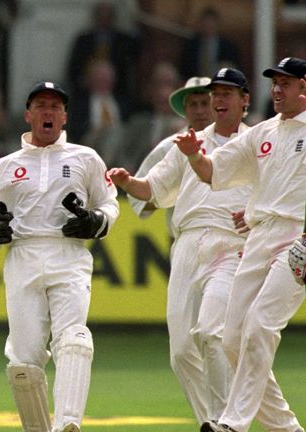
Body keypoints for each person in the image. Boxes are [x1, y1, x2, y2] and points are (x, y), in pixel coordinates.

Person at [107, 67, 252, 425]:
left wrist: (257, 213)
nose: (214, 103)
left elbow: (282, 188)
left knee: (211, 333)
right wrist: (127, 182)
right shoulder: (181, 144)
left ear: (243, 102)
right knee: (182, 351)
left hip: (233, 242)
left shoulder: (258, 140)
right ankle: (211, 421)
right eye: (210, 96)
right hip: (187, 241)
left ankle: (224, 422)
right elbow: (152, 191)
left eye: (222, 95)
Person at [0, 82, 119, 432]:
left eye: (55, 107)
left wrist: (96, 222)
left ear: (65, 116)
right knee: (23, 362)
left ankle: (68, 424)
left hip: (68, 254)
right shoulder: (4, 166)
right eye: (41, 105)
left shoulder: (85, 158)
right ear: (28, 114)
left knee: (73, 338)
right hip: (21, 256)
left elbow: (108, 204)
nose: (48, 112)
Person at [174, 57, 306, 432]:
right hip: (259, 235)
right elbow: (212, 172)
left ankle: (232, 423)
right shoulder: (262, 133)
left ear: (304, 87)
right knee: (231, 339)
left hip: (297, 237)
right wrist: (192, 154)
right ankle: (286, 428)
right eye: (275, 84)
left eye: (286, 84)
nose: (277, 91)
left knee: (261, 326)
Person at [128, 76, 214, 237]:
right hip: (187, 236)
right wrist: (166, 192)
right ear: (184, 109)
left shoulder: (236, 141)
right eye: (193, 104)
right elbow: (137, 199)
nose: (199, 111)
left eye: (205, 103)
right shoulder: (169, 147)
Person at [65, 1, 140, 103]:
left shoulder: (124, 40)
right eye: (101, 16)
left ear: (113, 18)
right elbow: (73, 68)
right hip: (87, 92)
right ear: (95, 17)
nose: (104, 19)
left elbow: (132, 66)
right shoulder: (83, 40)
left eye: (107, 16)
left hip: (118, 92)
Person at [179, 7, 241, 80]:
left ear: (217, 24)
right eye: (205, 23)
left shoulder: (228, 46)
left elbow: (236, 70)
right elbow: (183, 70)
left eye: (211, 24)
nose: (208, 27)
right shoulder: (190, 46)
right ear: (200, 24)